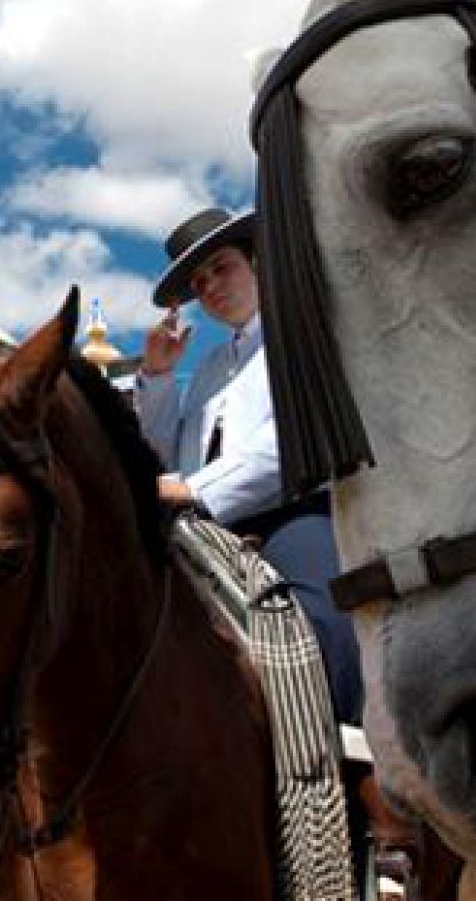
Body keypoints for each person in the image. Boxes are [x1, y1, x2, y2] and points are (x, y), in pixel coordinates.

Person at [136, 206, 363, 725]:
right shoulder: (211, 368)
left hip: (292, 512)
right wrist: (158, 374)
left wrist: (191, 490)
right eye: (198, 281)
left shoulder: (305, 332)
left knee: (325, 619)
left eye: (221, 267)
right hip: (198, 526)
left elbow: (293, 442)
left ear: (256, 262)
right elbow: (162, 454)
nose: (210, 286)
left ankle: (350, 760)